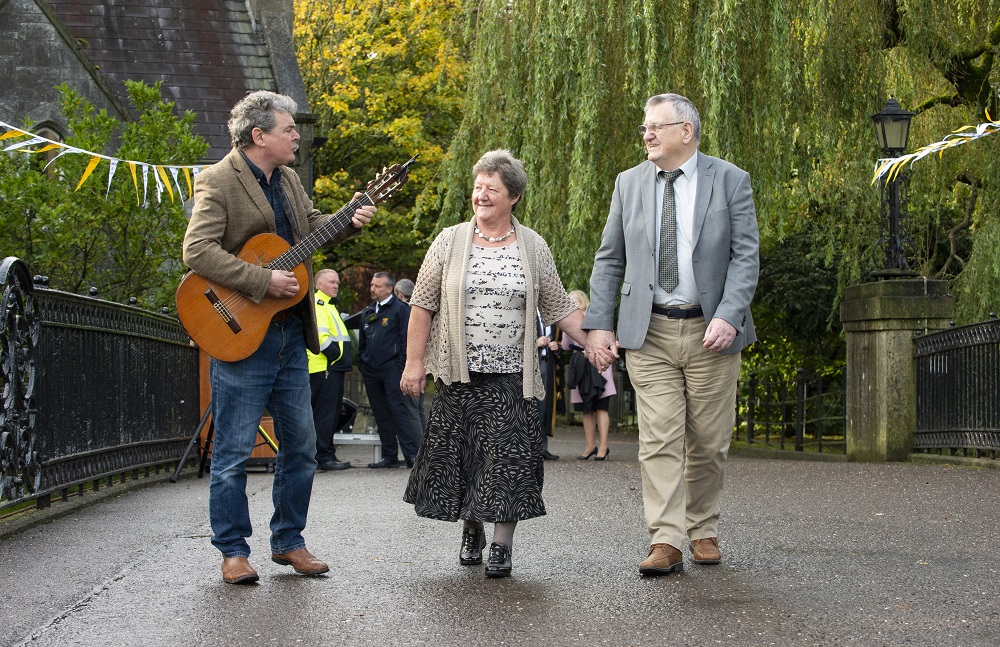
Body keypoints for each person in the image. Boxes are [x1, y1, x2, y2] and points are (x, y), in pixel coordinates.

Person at [182, 91, 376, 584]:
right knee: (231, 453)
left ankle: (289, 541)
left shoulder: (289, 179)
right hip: (239, 334)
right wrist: (260, 281)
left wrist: (347, 221)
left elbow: (312, 231)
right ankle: (232, 551)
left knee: (302, 447)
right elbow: (197, 251)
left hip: (291, 334)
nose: (297, 136)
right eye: (289, 129)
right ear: (259, 135)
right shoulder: (217, 180)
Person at [584, 93, 760, 576]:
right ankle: (666, 538)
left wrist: (729, 313)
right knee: (658, 437)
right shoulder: (629, 183)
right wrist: (599, 325)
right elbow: (609, 257)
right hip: (650, 330)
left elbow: (746, 256)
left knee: (707, 441)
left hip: (712, 331)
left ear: (686, 131)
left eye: (657, 127)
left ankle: (702, 527)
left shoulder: (730, 180)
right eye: (645, 127)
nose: (647, 135)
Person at [400, 149, 588, 578]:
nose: (481, 195)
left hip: (513, 375)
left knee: (510, 458)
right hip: (459, 373)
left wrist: (593, 343)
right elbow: (422, 306)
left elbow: (559, 306)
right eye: (478, 187)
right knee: (466, 458)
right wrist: (414, 363)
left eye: (492, 189)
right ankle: (472, 528)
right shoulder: (448, 241)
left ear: (514, 196)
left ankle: (502, 545)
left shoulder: (533, 245)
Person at [358, 271, 421, 468]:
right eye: (371, 285)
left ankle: (411, 455)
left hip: (392, 368)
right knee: (380, 413)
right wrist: (363, 362)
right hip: (371, 370)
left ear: (389, 289)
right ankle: (389, 455)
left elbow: (407, 340)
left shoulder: (400, 309)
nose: (372, 289)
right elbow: (363, 342)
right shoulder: (368, 312)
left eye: (377, 286)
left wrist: (401, 365)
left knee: (398, 410)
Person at [562, 290, 617, 461]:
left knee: (597, 407)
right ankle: (596, 446)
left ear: (583, 301)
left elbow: (565, 345)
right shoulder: (595, 318)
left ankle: (597, 446)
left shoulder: (585, 318)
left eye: (575, 301)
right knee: (593, 408)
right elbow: (564, 345)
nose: (573, 305)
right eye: (570, 302)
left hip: (594, 362)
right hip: (584, 365)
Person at [308, 269, 353, 472]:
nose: (336, 285)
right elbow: (320, 336)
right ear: (319, 284)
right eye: (331, 282)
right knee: (325, 415)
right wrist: (335, 356)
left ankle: (326, 453)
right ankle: (323, 456)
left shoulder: (328, 305)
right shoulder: (319, 304)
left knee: (330, 413)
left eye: (337, 282)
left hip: (331, 367)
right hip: (326, 367)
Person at [394, 278, 428, 437]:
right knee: (419, 409)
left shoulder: (406, 311)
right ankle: (426, 447)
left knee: (411, 410)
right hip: (424, 366)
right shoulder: (423, 311)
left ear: (399, 294)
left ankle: (420, 451)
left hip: (412, 367)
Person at [535, 309, 559, 460]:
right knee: (532, 407)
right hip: (532, 365)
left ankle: (543, 448)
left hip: (547, 365)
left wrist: (558, 347)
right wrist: (535, 343)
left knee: (544, 408)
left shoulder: (553, 318)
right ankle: (531, 450)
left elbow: (562, 344)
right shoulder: (527, 313)